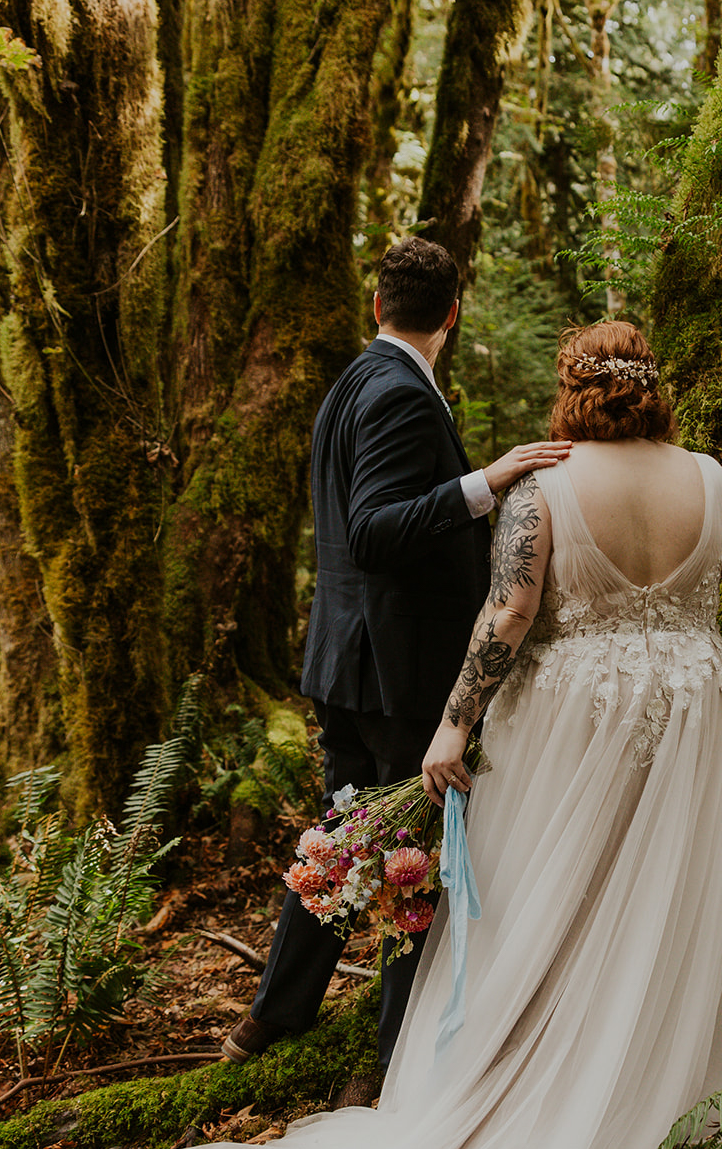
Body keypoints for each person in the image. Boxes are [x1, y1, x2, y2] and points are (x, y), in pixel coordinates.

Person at [88, 322, 722, 1149]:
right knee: (658, 900)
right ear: (656, 394)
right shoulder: (711, 477)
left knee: (550, 903)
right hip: (691, 713)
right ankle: (645, 1078)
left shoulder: (546, 485)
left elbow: (507, 611)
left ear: (574, 394)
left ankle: (532, 1075)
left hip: (575, 717)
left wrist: (450, 725)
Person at [222, 238, 570, 1075]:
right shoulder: (399, 397)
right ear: (452, 313)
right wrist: (483, 483)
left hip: (347, 659)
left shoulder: (352, 382)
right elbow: (375, 532)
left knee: (344, 840)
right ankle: (393, 1061)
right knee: (410, 865)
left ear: (377, 306)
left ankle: (273, 1017)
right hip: (394, 671)